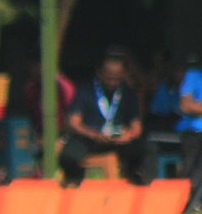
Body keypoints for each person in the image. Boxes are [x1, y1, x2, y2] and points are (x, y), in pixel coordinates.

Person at [59, 49, 153, 187]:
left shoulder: (128, 92)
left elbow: (136, 126)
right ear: (99, 72)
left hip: (118, 139)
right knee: (68, 155)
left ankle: (141, 181)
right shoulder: (85, 90)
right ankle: (74, 181)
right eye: (109, 77)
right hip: (91, 138)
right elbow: (73, 122)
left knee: (148, 149)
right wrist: (93, 134)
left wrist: (129, 135)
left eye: (117, 78)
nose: (113, 82)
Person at [175, 54, 202, 206]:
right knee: (190, 169)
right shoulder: (193, 75)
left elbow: (192, 105)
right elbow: (185, 106)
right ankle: (184, 204)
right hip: (193, 132)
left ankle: (193, 202)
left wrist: (197, 106)